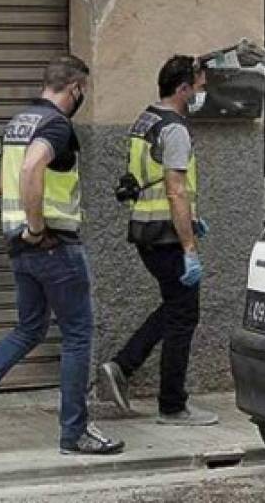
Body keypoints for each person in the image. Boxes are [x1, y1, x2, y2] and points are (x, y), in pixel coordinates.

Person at [0, 55, 124, 456]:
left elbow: (5, 176)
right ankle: (74, 433)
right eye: (84, 92)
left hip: (19, 245)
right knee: (77, 334)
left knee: (29, 328)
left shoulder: (18, 121)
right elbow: (30, 170)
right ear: (74, 88)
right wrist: (38, 228)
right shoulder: (56, 125)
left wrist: (22, 230)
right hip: (52, 243)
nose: (83, 99)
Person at [99, 55, 219, 426]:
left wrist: (192, 221)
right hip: (167, 235)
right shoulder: (176, 130)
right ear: (183, 88)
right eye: (199, 86)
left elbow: (145, 176)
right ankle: (172, 405)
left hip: (144, 229)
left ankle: (122, 366)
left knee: (174, 307)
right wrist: (189, 247)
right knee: (184, 314)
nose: (202, 93)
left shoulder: (145, 119)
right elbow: (176, 190)